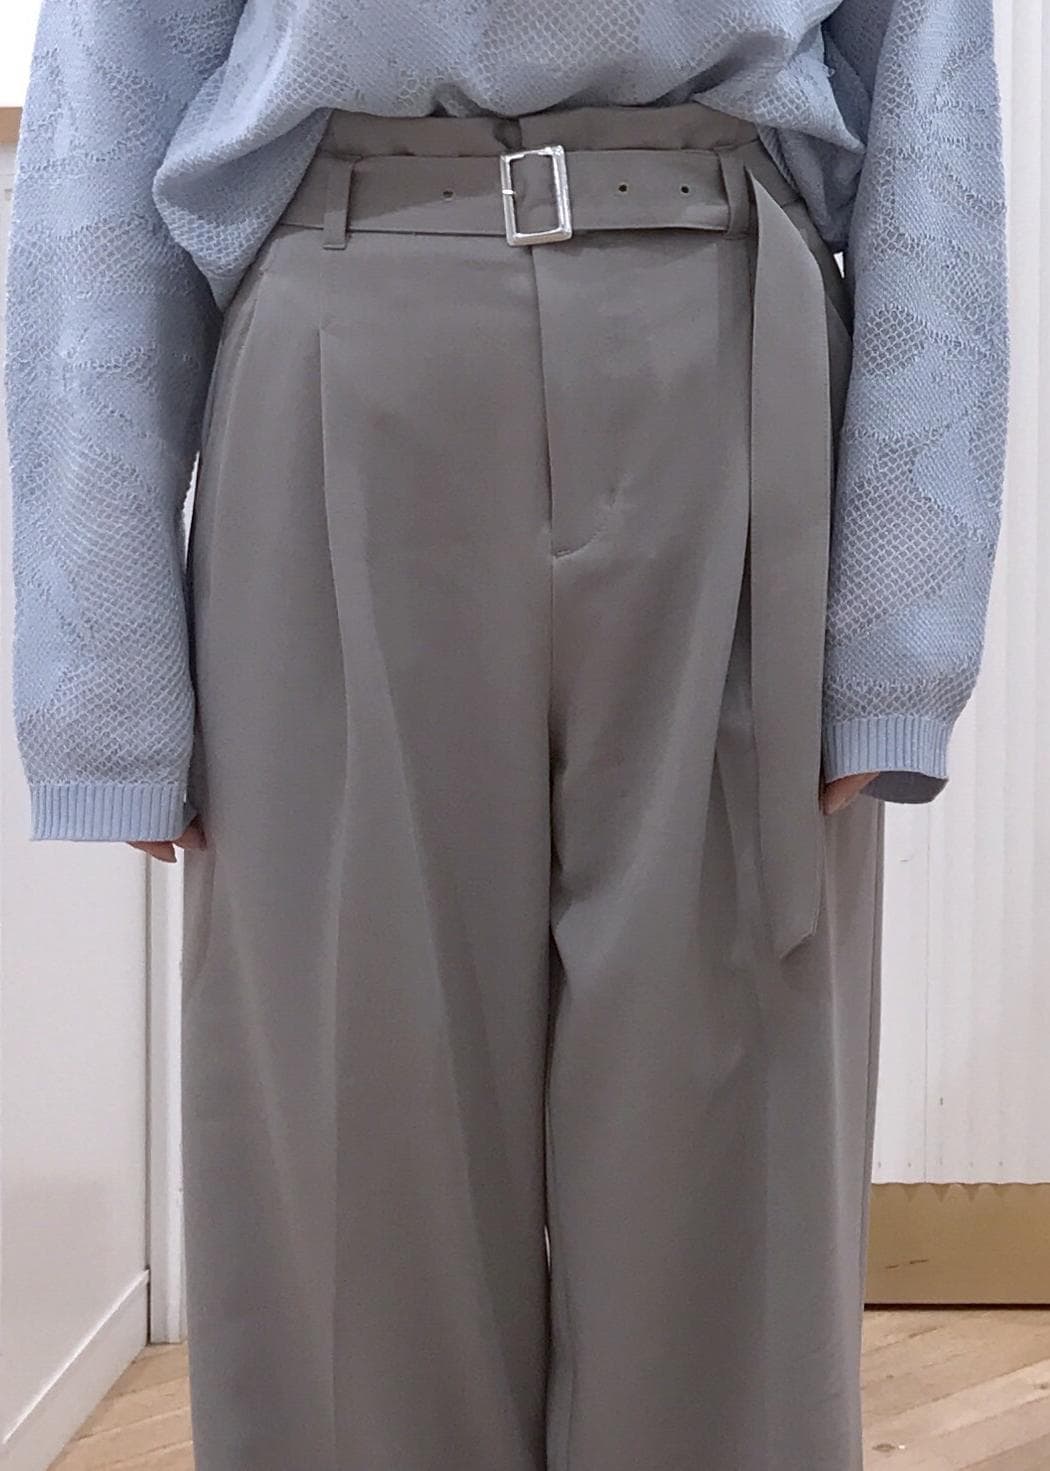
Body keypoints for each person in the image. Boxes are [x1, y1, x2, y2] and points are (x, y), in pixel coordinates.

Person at [3, 3, 1008, 1469]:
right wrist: (106, 675)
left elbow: (933, 101)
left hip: (729, 349)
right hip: (344, 337)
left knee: (733, 1109)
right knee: (354, 1123)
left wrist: (903, 631)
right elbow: (107, 113)